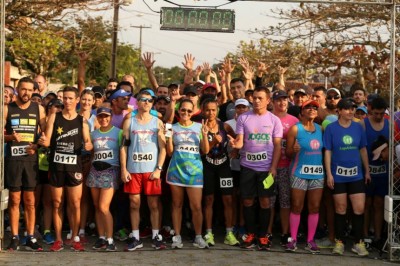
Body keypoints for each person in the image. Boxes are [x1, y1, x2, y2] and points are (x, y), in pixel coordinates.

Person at [38, 86, 93, 252]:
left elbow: (88, 143)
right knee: (57, 203)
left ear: (77, 100)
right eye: (65, 98)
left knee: (75, 203)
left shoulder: (82, 121)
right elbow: (47, 140)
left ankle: (75, 238)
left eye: (71, 98)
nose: (67, 101)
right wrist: (43, 141)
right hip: (56, 166)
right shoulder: (55, 116)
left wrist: (89, 145)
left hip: (74, 166)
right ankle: (59, 239)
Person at [228, 86, 283, 250]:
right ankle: (250, 234)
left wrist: (273, 167)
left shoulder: (274, 120)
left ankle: (263, 236)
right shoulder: (243, 118)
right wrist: (235, 145)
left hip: (266, 169)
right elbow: (240, 142)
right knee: (247, 201)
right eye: (255, 98)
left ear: (268, 100)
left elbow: (278, 146)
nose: (257, 100)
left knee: (265, 202)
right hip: (247, 168)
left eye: (260, 98)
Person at [120, 90, 167, 250]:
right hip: (133, 170)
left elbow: (163, 149)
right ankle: (136, 237)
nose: (146, 102)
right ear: (137, 102)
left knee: (153, 204)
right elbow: (123, 147)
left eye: (149, 100)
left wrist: (159, 168)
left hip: (151, 170)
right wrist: (124, 169)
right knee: (134, 204)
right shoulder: (129, 121)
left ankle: (155, 236)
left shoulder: (157, 122)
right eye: (143, 100)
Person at [323, 98, 371, 256]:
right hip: (338, 175)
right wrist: (329, 173)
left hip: (356, 174)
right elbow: (328, 151)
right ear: (339, 111)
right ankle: (340, 241)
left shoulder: (358, 127)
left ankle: (358, 242)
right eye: (347, 109)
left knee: (359, 209)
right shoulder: (331, 128)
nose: (351, 112)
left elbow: (363, 149)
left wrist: (367, 171)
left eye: (353, 108)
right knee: (340, 209)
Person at [5, 77, 47, 251]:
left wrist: (37, 146)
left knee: (30, 201)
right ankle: (14, 237)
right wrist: (11, 137)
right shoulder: (7, 108)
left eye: (30, 90)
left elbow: (45, 137)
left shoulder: (39, 109)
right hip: (13, 160)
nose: (26, 93)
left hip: (30, 160)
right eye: (23, 89)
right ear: (17, 89)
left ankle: (31, 236)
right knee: (14, 200)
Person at [166, 99, 210, 249]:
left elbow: (205, 151)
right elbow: (169, 152)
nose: (185, 113)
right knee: (177, 205)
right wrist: (168, 137)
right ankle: (177, 236)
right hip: (176, 170)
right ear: (179, 111)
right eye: (183, 110)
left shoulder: (199, 127)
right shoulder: (172, 127)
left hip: (195, 171)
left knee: (196, 206)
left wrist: (204, 135)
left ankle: (198, 236)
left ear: (193, 112)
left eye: (189, 111)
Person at [285, 100, 324, 254]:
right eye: (308, 107)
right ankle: (293, 239)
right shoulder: (295, 129)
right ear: (301, 112)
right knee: (297, 206)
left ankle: (310, 240)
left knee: (314, 207)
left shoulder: (321, 129)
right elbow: (287, 153)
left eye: (315, 108)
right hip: (299, 172)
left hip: (317, 173)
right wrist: (293, 150)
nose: (312, 109)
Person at [201, 99, 239, 247]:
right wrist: (213, 142)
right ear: (203, 111)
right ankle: (209, 232)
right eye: (208, 110)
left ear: (217, 111)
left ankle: (229, 233)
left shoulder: (224, 126)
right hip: (208, 167)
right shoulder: (201, 127)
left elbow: (237, 139)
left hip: (224, 167)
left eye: (213, 110)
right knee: (209, 199)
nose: (211, 113)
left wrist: (235, 149)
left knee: (228, 199)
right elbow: (203, 151)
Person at [88, 107, 122, 252]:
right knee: (97, 206)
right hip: (95, 169)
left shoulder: (118, 132)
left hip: (110, 169)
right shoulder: (93, 134)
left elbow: (123, 152)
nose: (103, 119)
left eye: (106, 116)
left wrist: (123, 171)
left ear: (111, 117)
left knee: (103, 207)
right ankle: (101, 237)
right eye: (100, 116)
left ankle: (110, 239)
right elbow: (91, 153)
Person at [270, 90, 299, 246]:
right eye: (278, 100)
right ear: (272, 102)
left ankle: (284, 233)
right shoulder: (267, 117)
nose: (282, 103)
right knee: (269, 201)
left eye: (285, 100)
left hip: (288, 166)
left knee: (285, 201)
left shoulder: (294, 120)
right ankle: (267, 233)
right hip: (269, 167)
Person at [362, 97, 389, 249]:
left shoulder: (389, 124)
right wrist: (366, 169)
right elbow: (361, 148)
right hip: (367, 171)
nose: (379, 116)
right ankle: (365, 236)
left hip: (383, 173)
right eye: (376, 113)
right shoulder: (363, 124)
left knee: (379, 204)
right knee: (366, 204)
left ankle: (378, 236)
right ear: (371, 110)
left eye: (382, 113)